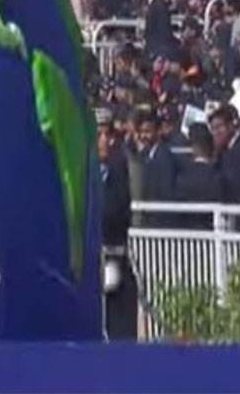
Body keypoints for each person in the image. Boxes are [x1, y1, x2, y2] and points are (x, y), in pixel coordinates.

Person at [96, 109, 137, 341]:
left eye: (107, 135)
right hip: (90, 258)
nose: (104, 141)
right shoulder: (86, 169)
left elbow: (117, 209)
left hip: (113, 254)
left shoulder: (119, 167)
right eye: (99, 135)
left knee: (118, 318)